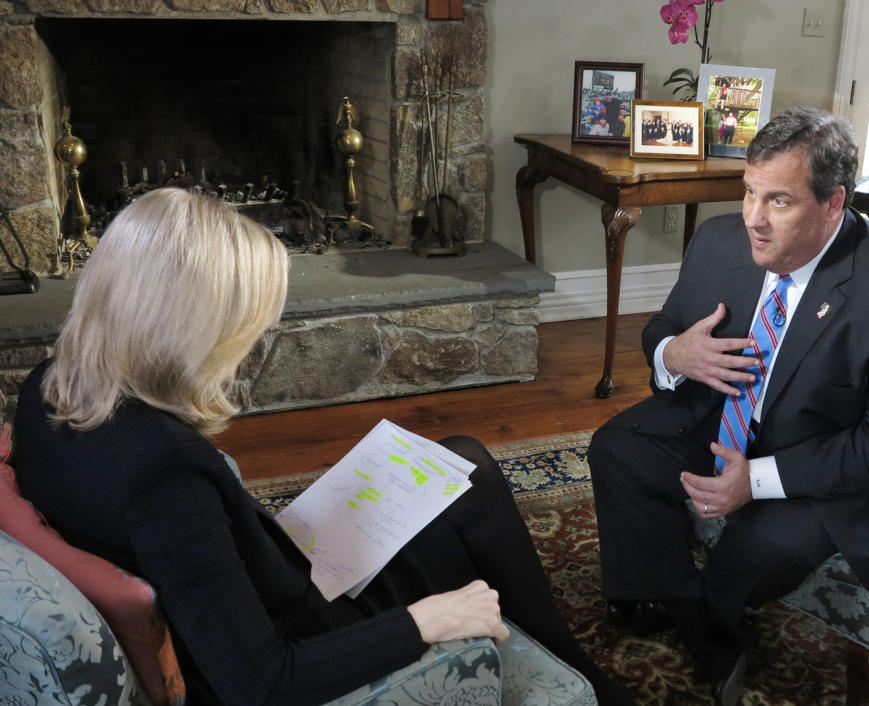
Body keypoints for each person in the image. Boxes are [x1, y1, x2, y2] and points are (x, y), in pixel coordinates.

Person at [12, 188, 630, 706]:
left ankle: (576, 671)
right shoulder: (164, 477)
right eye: (245, 324)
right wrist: (429, 619)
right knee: (470, 490)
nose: (254, 340)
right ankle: (584, 686)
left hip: (268, 578)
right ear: (187, 329)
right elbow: (260, 682)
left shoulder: (51, 386)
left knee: (463, 462)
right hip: (311, 630)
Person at [587, 106, 869, 706]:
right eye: (749, 193)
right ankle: (701, 623)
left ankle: (687, 610)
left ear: (834, 202)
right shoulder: (720, 240)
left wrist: (753, 481)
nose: (753, 219)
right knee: (617, 450)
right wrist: (675, 355)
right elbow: (665, 325)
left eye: (778, 201)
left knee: (767, 544)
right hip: (724, 416)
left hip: (820, 455)